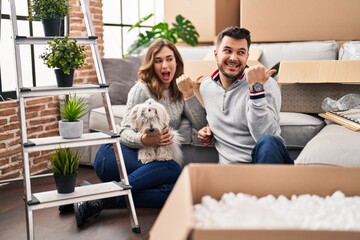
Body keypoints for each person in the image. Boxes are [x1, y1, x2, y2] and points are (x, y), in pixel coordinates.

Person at [73, 39, 207, 227]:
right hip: (115, 155)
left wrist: (189, 94)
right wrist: (144, 139)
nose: (165, 65)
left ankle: (96, 198)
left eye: (169, 59)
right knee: (172, 168)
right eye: (158, 61)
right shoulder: (141, 89)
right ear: (152, 65)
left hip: (147, 164)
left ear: (177, 62)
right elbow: (124, 132)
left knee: (174, 192)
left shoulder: (179, 92)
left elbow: (202, 123)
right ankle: (98, 198)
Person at [197, 26, 293, 165]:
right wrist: (209, 128)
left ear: (247, 56)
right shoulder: (206, 87)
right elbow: (220, 113)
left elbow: (265, 135)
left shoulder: (265, 84)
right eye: (227, 51)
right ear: (216, 53)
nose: (234, 58)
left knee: (268, 142)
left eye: (241, 52)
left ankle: (268, 186)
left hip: (266, 163)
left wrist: (256, 90)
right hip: (230, 171)